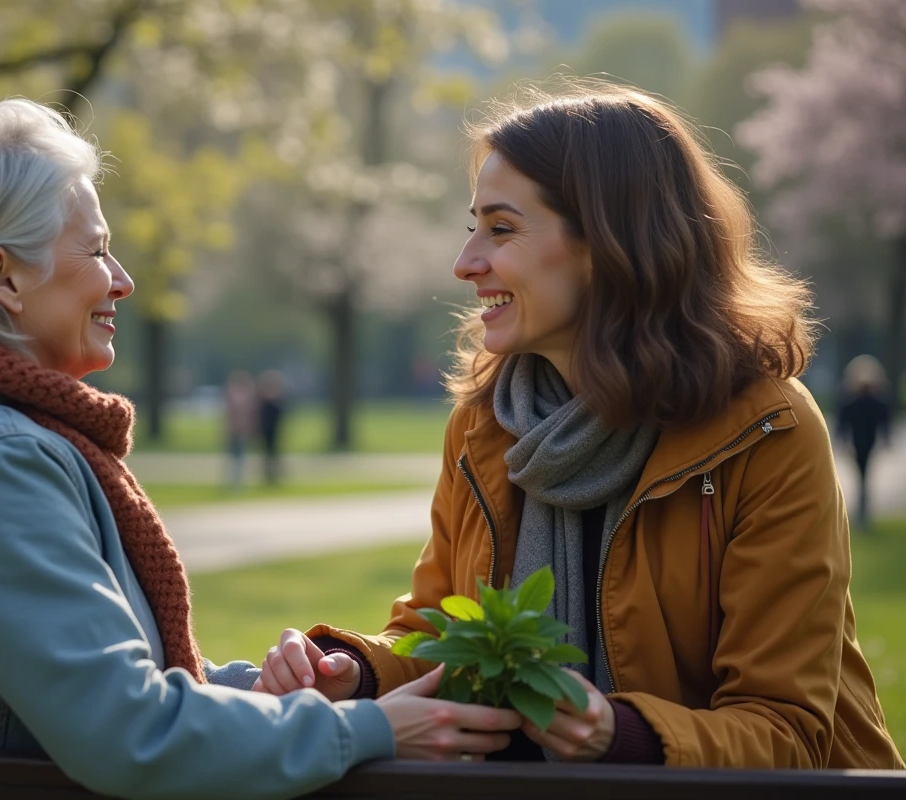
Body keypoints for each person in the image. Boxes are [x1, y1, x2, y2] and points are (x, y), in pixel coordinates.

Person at [0, 90, 523, 799]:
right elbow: (129, 730)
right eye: (95, 250)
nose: (121, 280)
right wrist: (372, 730)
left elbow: (83, 686)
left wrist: (265, 691)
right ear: (4, 279)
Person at [253, 82, 904, 770]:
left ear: (608, 241)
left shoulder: (767, 430)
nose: (466, 261)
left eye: (501, 229)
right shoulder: (485, 423)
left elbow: (789, 730)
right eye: (472, 226)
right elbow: (440, 635)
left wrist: (620, 737)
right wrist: (350, 669)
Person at [837, 354, 893, 531]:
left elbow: (883, 423)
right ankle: (863, 512)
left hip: (864, 443)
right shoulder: (870, 402)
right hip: (862, 443)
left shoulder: (855, 401)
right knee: (863, 476)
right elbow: (843, 423)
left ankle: (862, 512)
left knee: (863, 476)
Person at [223, 370, 257, 489]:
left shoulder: (240, 397)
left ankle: (237, 482)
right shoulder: (238, 397)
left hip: (240, 431)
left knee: (238, 458)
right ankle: (233, 482)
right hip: (235, 431)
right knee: (234, 458)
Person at [257, 369, 288, 485]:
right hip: (266, 432)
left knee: (275, 455)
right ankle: (268, 476)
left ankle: (275, 477)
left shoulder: (276, 404)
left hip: (275, 432)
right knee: (267, 455)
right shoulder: (264, 404)